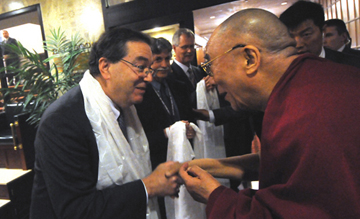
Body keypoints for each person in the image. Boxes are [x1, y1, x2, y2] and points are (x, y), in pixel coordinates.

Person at [178, 8, 360, 218]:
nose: (213, 82)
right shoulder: (312, 81)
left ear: (249, 58)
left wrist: (214, 195)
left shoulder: (309, 114)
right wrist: (212, 166)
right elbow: (286, 165)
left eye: (210, 66)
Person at [30, 27, 182, 219]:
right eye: (140, 67)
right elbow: (76, 210)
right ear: (105, 67)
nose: (149, 77)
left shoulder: (130, 108)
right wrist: (148, 186)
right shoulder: (62, 121)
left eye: (149, 69)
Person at [135, 37, 195, 219]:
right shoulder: (140, 93)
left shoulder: (179, 86)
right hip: (157, 165)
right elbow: (138, 140)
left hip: (183, 159)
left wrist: (190, 129)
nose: (164, 64)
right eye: (158, 59)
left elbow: (189, 117)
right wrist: (167, 133)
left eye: (167, 59)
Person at [279, 0, 360, 68]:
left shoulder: (351, 65)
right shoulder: (283, 68)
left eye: (306, 35)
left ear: (323, 30)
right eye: (291, 36)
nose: (298, 44)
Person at [169, 28, 207, 107]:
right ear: (174, 48)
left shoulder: (199, 71)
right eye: (184, 47)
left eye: (192, 46)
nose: (189, 51)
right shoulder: (169, 75)